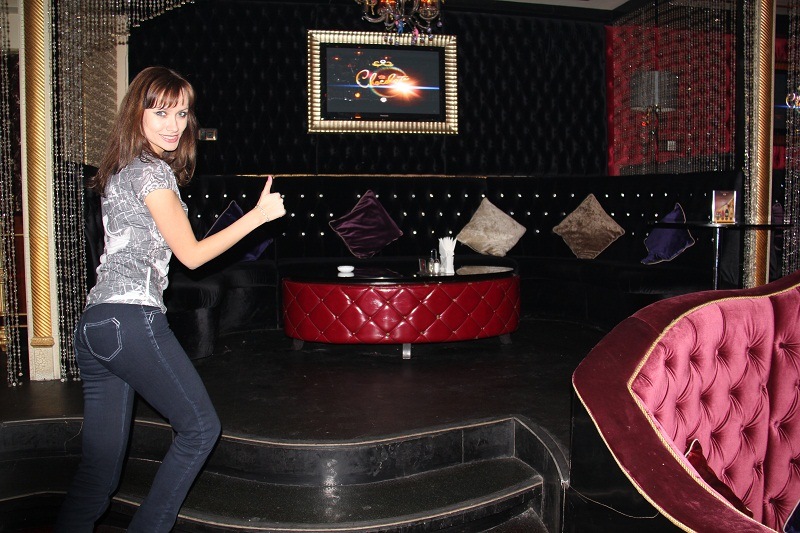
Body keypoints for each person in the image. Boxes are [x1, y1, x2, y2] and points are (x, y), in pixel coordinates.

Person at [55, 66, 285, 532]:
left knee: (98, 474)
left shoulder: (118, 171)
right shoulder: (153, 173)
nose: (173, 124)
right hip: (130, 320)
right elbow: (192, 256)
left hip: (95, 326)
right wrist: (258, 216)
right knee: (200, 429)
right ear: (136, 113)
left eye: (181, 113)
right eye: (160, 111)